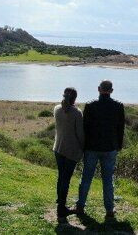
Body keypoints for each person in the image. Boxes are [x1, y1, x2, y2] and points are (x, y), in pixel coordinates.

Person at [76, 80, 125, 220]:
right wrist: (119, 145)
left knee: (86, 177)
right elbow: (120, 129)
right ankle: (109, 210)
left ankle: (80, 206)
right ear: (112, 91)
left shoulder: (90, 106)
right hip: (110, 148)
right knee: (108, 180)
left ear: (98, 89)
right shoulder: (118, 106)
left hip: (91, 148)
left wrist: (83, 146)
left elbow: (85, 128)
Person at [52, 87, 84, 223]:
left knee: (61, 176)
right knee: (66, 179)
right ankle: (61, 209)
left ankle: (60, 202)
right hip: (71, 151)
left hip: (58, 148)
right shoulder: (77, 113)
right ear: (75, 99)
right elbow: (80, 134)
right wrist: (84, 148)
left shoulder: (56, 108)